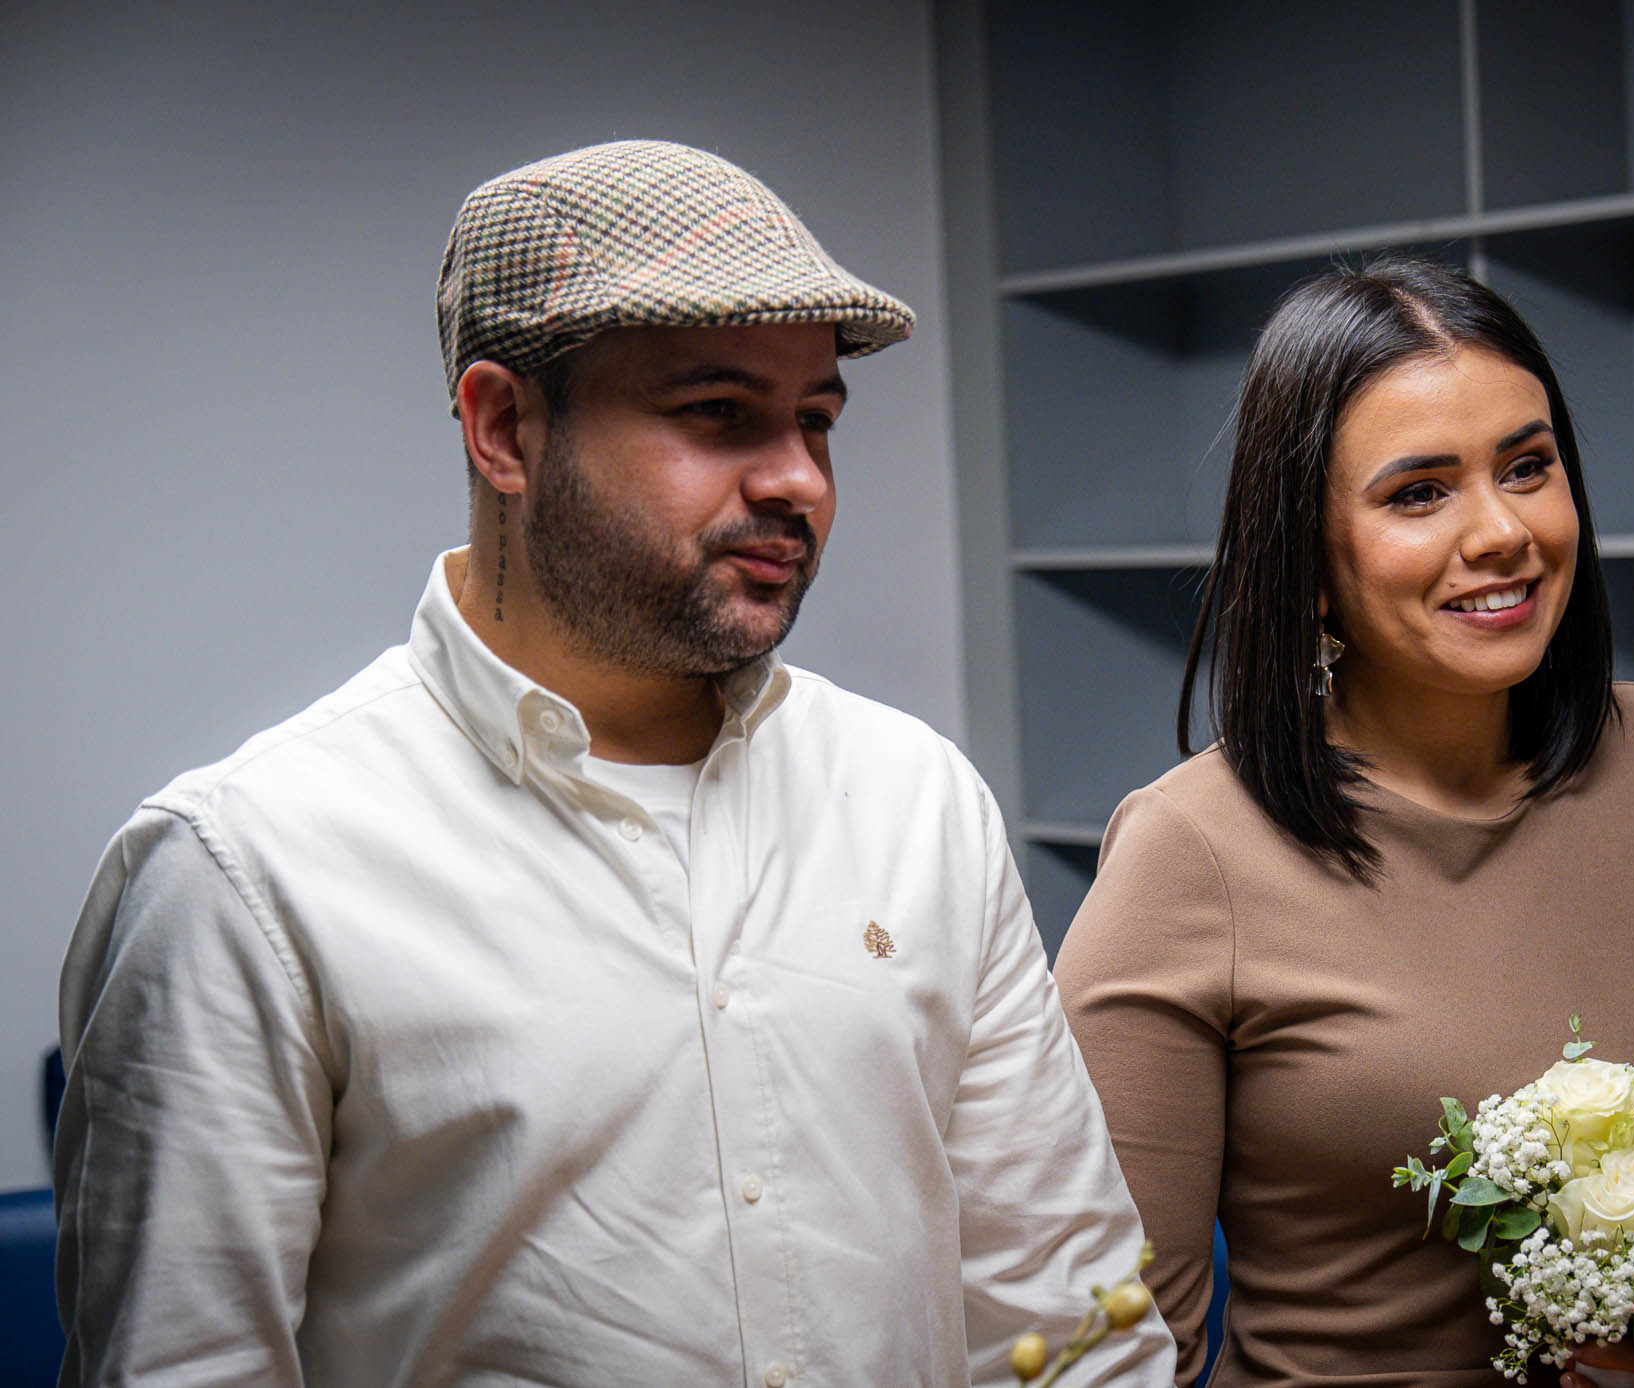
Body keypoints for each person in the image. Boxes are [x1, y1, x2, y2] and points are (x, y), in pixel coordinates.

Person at [55, 140, 1172, 1388]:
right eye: (717, 413)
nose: (798, 477)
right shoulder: (244, 870)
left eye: (815, 419)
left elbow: (1070, 1311)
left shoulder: (918, 801)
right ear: (504, 426)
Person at [1053, 258, 1634, 1388]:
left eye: (1528, 467)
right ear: (1307, 564)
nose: (1502, 531)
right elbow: (1120, 1339)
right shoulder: (1189, 852)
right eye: (1418, 492)